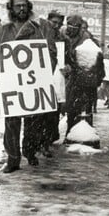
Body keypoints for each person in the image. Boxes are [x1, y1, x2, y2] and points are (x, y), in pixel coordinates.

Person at [0, 0, 57, 173]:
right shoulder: (3, 29)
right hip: (12, 86)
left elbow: (51, 54)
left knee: (34, 123)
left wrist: (44, 74)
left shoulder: (41, 27)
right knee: (11, 124)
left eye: (24, 6)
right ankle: (13, 159)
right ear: (11, 9)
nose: (22, 9)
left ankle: (30, 152)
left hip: (33, 83)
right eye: (18, 6)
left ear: (29, 7)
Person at [61, 14, 105, 136]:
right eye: (70, 25)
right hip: (69, 76)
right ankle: (72, 131)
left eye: (76, 26)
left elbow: (94, 59)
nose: (73, 28)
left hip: (81, 78)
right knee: (71, 107)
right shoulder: (62, 34)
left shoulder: (86, 39)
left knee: (82, 108)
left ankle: (81, 134)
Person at [38, 10, 65, 157]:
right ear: (48, 20)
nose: (56, 26)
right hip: (40, 79)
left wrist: (68, 66)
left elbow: (67, 58)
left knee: (52, 116)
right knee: (39, 116)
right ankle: (36, 144)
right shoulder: (39, 33)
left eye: (59, 24)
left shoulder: (62, 38)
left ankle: (45, 144)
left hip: (55, 81)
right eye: (54, 22)